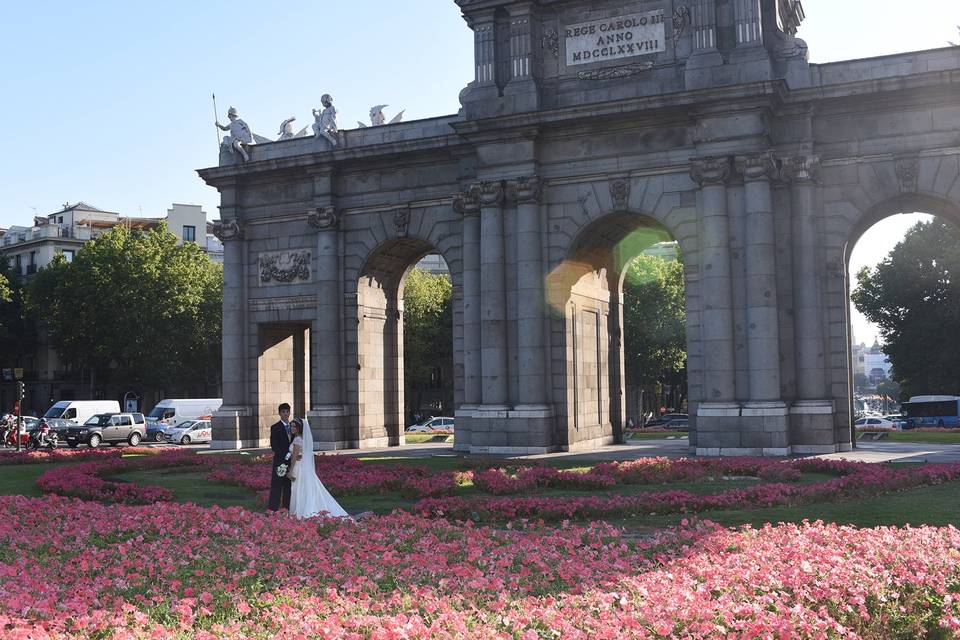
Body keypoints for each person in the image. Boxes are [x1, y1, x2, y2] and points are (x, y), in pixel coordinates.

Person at [286, 418, 348, 519]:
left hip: (298, 467)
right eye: (291, 426)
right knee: (305, 488)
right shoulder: (302, 438)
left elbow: (294, 457)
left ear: (299, 428)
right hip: (304, 467)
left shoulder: (297, 440)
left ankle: (301, 510)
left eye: (294, 426)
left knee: (299, 488)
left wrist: (290, 471)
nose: (292, 428)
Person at [268, 403, 293, 511]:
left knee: (288, 486)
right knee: (277, 486)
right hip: (281, 463)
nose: (285, 414)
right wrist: (286, 455)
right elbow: (274, 446)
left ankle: (286, 508)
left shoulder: (294, 427)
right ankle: (273, 509)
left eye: (287, 411)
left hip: (292, 463)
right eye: (283, 412)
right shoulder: (275, 427)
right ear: (279, 413)